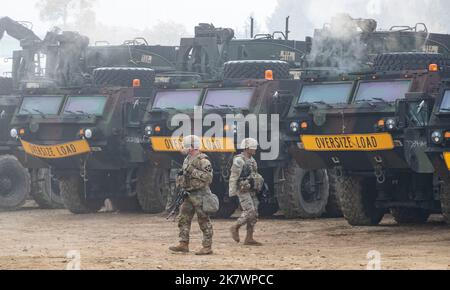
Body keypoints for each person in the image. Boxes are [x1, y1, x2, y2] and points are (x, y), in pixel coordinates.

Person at [169, 135, 215, 255]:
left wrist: (192, 172)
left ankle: (207, 246)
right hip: (188, 194)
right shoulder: (187, 159)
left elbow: (208, 178)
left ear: (192, 147)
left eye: (186, 146)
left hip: (201, 194)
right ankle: (183, 243)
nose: (184, 148)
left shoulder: (203, 160)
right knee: (183, 218)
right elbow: (185, 173)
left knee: (204, 220)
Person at [229, 138, 265, 246]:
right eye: (252, 147)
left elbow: (254, 174)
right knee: (250, 211)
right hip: (243, 190)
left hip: (251, 189)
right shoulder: (239, 160)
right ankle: (235, 226)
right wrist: (232, 191)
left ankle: (249, 238)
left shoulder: (252, 160)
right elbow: (233, 176)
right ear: (246, 148)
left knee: (255, 214)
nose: (255, 149)